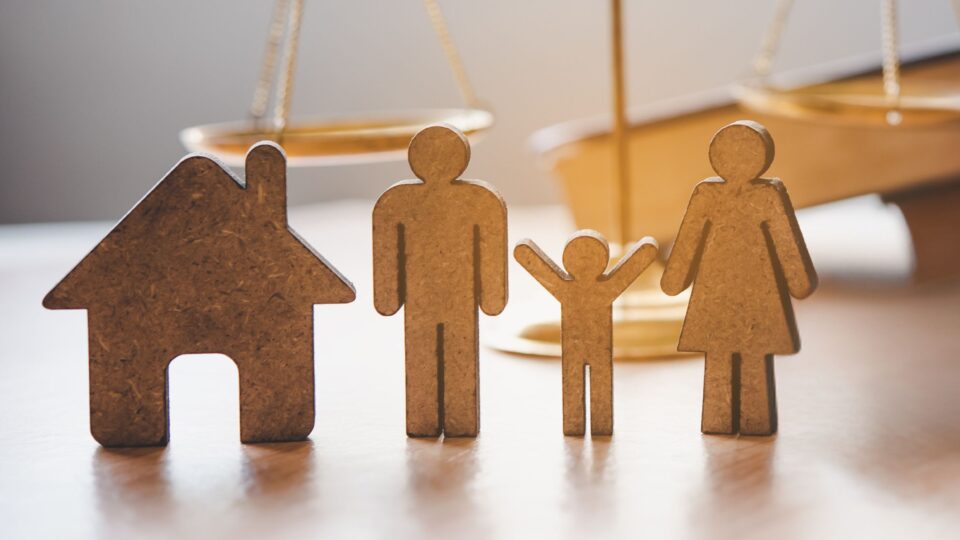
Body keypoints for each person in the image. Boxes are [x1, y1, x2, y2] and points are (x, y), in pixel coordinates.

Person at [661, 120, 818, 436]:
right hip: (717, 290)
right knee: (723, 354)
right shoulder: (707, 194)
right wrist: (675, 278)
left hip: (752, 289)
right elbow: (689, 238)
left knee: (750, 354)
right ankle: (722, 419)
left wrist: (799, 280)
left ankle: (753, 420)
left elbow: (786, 242)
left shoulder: (767, 195)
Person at [372, 124, 507, 437]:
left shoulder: (478, 200)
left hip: (454, 296)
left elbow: (490, 244)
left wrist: (492, 296)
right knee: (422, 356)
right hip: (423, 298)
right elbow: (386, 249)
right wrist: (388, 296)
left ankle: (454, 419)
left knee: (456, 355)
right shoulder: (397, 202)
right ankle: (427, 420)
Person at [515, 231, 657, 436]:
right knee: (577, 384)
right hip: (581, 348)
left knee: (594, 383)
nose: (584, 262)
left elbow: (631, 268)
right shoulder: (577, 287)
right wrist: (646, 250)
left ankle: (594, 424)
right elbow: (537, 266)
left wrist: (646, 251)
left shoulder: (591, 287)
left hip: (593, 348)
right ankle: (581, 424)